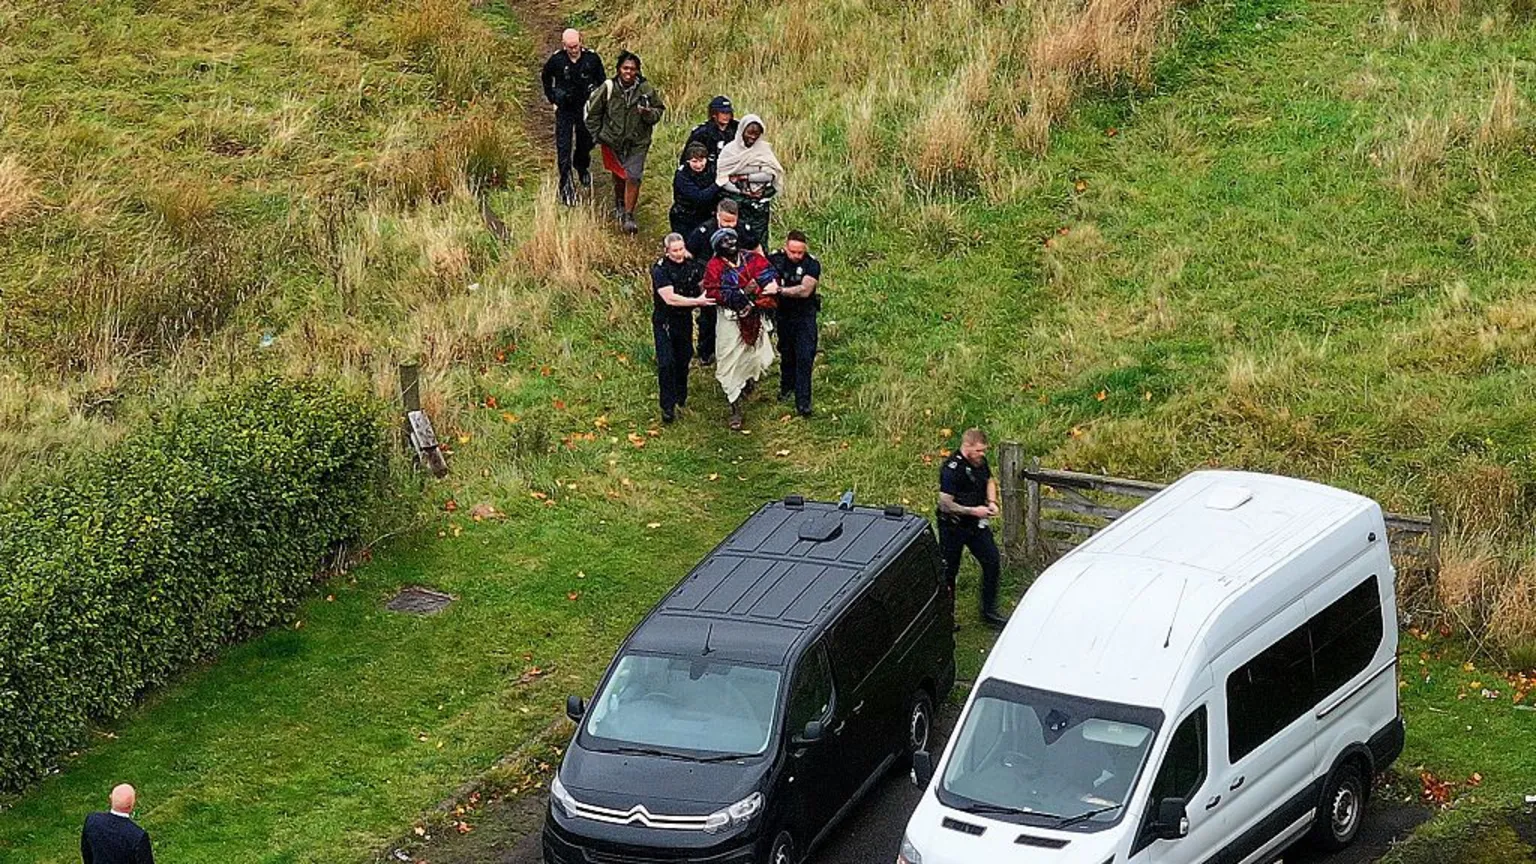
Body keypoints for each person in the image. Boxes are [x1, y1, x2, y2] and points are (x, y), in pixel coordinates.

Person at [702, 228, 779, 430]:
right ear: (717, 247)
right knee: (728, 359)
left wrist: (757, 292)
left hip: (754, 314)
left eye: (732, 238)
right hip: (729, 319)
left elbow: (769, 275)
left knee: (755, 355)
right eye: (724, 240)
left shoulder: (751, 258)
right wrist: (742, 293)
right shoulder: (714, 266)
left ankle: (746, 382)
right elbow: (713, 292)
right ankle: (734, 407)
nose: (730, 242)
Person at [585, 51, 664, 235]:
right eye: (625, 68)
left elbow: (658, 110)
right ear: (619, 69)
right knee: (619, 175)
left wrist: (647, 114)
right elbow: (592, 114)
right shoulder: (608, 88)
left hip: (638, 141)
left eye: (633, 69)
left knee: (634, 176)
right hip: (612, 141)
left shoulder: (645, 89)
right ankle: (620, 201)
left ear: (638, 71)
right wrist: (598, 135)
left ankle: (629, 215)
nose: (629, 72)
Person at [938, 429, 1006, 630]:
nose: (982, 454)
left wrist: (991, 502)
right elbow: (945, 503)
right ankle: (946, 618)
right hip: (954, 526)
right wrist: (972, 511)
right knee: (949, 571)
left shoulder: (979, 462)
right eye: (978, 450)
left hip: (976, 525)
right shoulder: (952, 469)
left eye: (984, 450)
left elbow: (989, 480)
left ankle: (989, 611)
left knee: (992, 561)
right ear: (967, 447)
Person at [686, 199, 758, 366]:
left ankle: (742, 350)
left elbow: (756, 249)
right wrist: (696, 278)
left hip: (738, 280)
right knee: (708, 317)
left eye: (732, 222)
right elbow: (689, 255)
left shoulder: (744, 229)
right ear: (717, 215)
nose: (729, 226)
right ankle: (706, 352)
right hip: (710, 279)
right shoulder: (703, 231)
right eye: (725, 221)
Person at [651, 233, 714, 423]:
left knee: (683, 358)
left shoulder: (692, 267)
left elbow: (703, 284)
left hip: (684, 321)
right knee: (666, 362)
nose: (679, 254)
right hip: (665, 321)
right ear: (666, 251)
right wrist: (697, 301)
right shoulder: (660, 270)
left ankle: (681, 396)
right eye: (674, 250)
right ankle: (667, 407)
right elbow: (669, 298)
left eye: (681, 249)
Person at [541, 29, 606, 206]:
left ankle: (582, 165)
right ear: (564, 45)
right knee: (564, 147)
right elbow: (546, 78)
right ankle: (566, 187)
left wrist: (599, 106)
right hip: (565, 109)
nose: (574, 50)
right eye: (570, 47)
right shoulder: (557, 60)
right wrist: (553, 98)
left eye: (576, 46)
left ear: (581, 42)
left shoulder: (592, 59)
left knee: (586, 142)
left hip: (585, 108)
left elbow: (603, 83)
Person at [767, 230, 821, 417]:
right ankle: (786, 388)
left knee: (805, 356)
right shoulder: (776, 259)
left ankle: (803, 402)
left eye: (800, 252)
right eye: (793, 252)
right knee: (787, 353)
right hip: (783, 315)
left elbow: (805, 290)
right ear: (786, 247)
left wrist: (780, 290)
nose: (797, 256)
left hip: (805, 315)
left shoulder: (811, 264)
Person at [715, 114, 784, 248]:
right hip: (736, 202)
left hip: (759, 203)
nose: (752, 137)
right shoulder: (729, 151)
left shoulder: (763, 150)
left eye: (756, 134)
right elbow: (722, 177)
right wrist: (742, 191)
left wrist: (744, 176)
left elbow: (770, 174)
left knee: (758, 239)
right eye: (749, 133)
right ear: (741, 131)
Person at [81, 783, 154, 864]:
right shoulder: (137, 836)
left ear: (110, 798)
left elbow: (86, 852)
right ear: (132, 805)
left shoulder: (93, 821)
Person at [669, 141, 720, 237]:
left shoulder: (712, 168)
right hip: (684, 216)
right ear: (688, 161)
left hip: (706, 215)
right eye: (694, 161)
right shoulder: (682, 175)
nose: (698, 165)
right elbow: (699, 197)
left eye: (701, 161)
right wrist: (717, 184)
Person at [681, 95, 737, 169]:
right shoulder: (702, 132)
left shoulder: (738, 128)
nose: (726, 116)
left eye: (728, 112)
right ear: (714, 114)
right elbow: (687, 158)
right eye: (723, 112)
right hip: (707, 172)